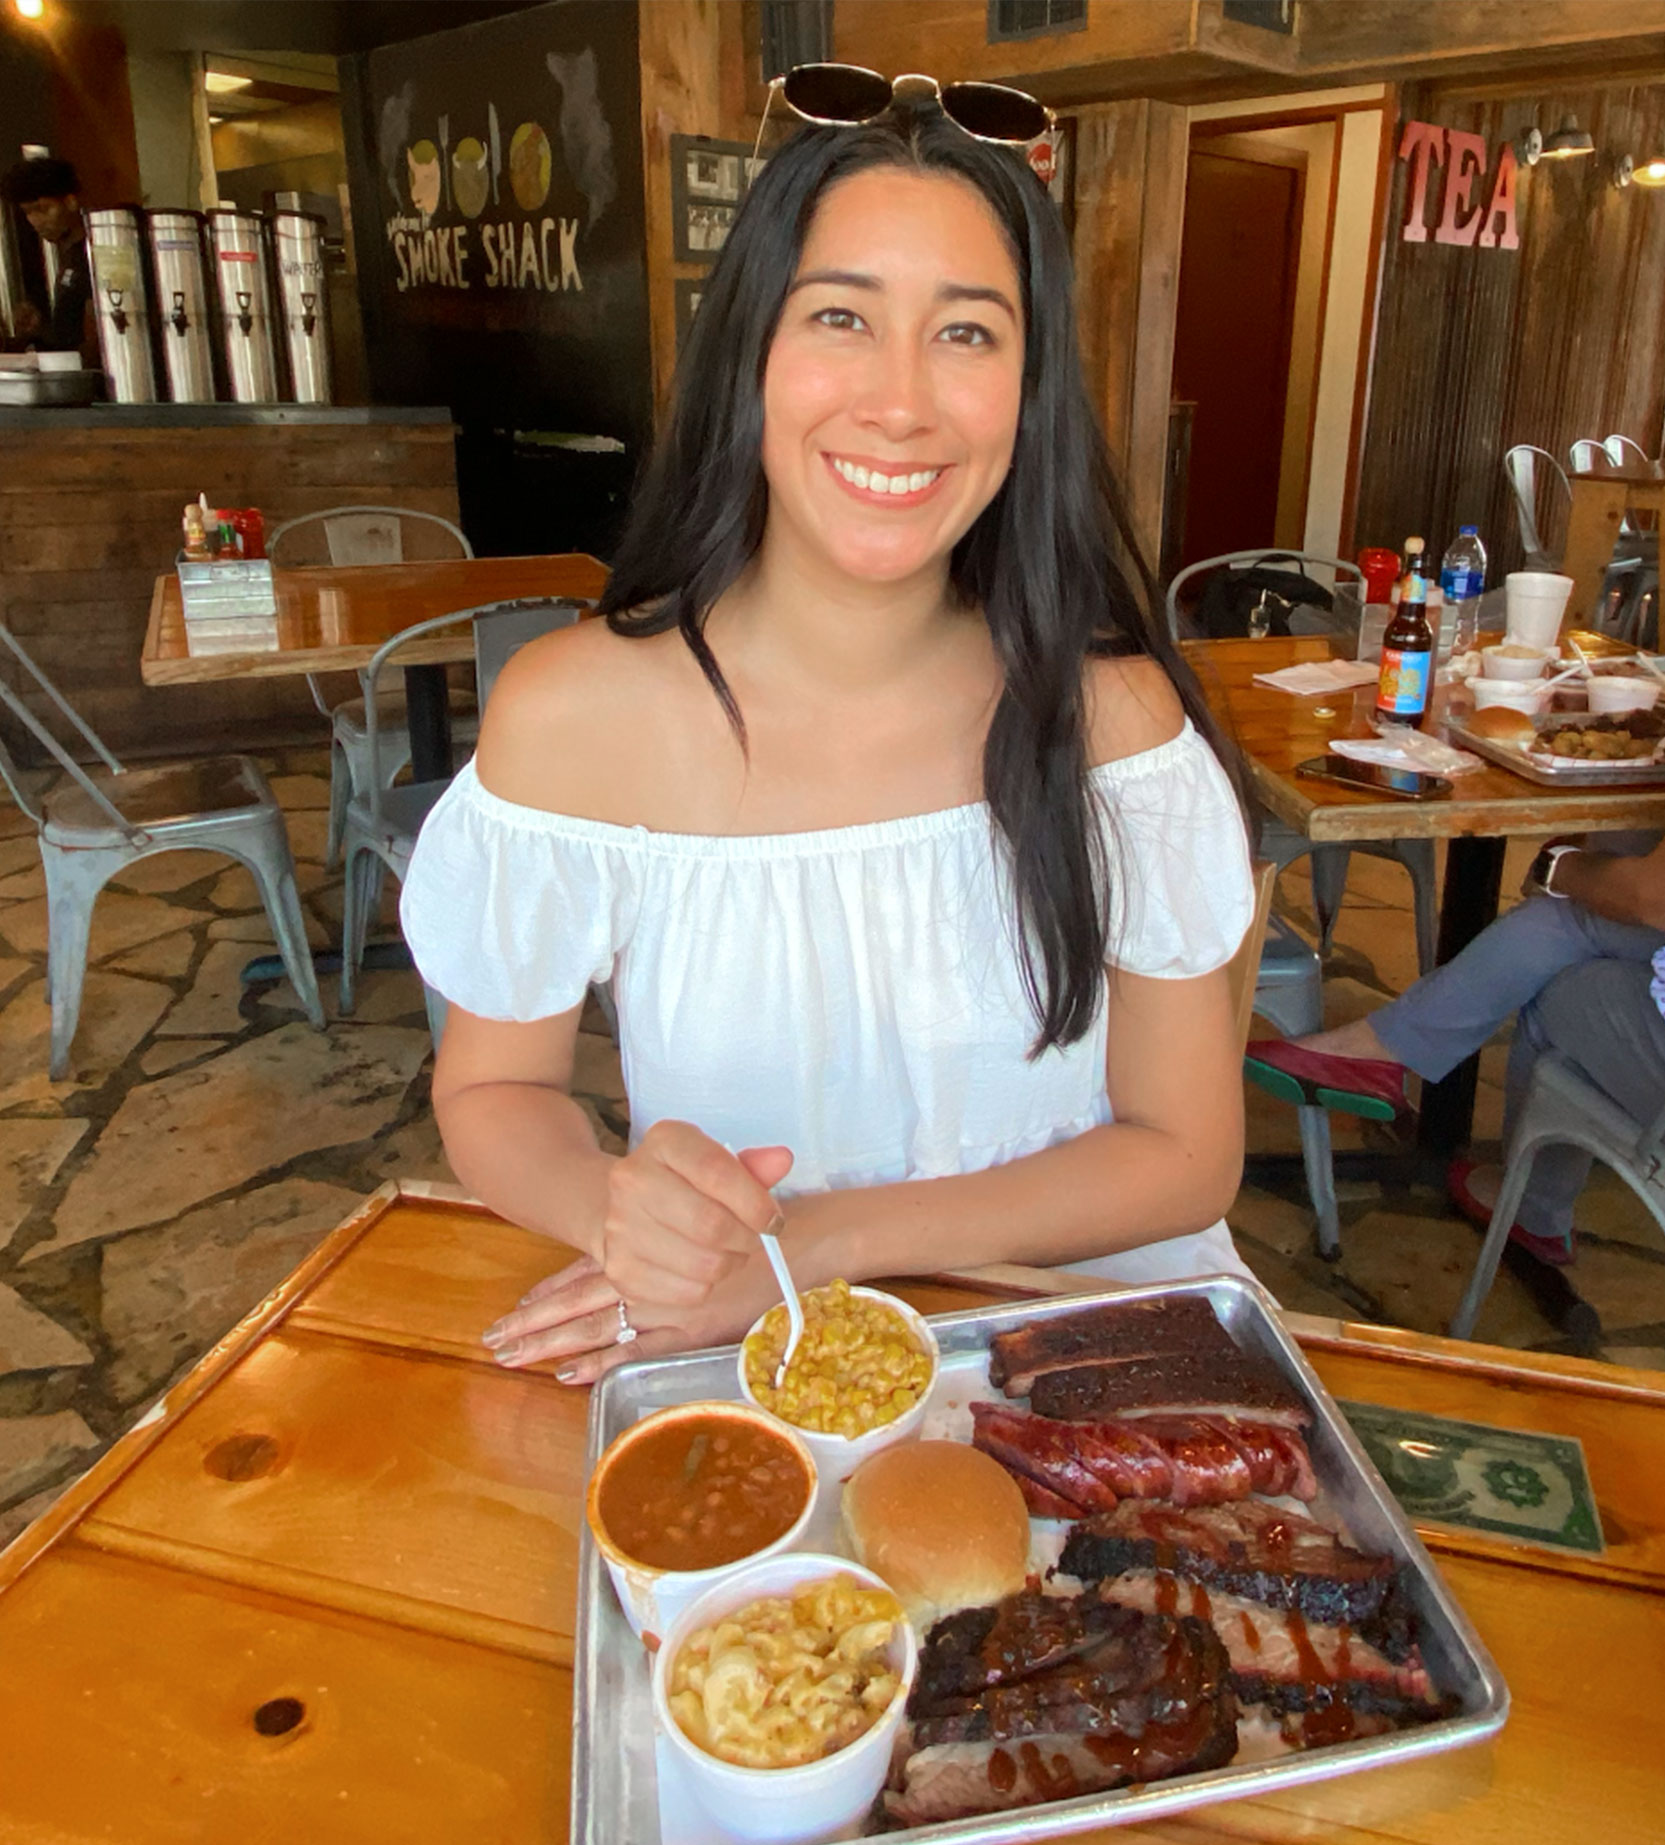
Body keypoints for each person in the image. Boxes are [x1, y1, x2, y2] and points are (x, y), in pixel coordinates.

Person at [399, 91, 1256, 1385]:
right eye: (842, 317)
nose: (901, 402)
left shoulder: (1108, 720)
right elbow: (492, 1094)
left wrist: (817, 1243)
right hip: (755, 1361)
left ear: (1029, 389)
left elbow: (1187, 1152)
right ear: (751, 350)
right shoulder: (574, 714)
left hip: (1085, 1357)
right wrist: (614, 1207)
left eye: (967, 332)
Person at [1261, 421, 1665, 1266]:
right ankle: (1387, 1056)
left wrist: (1563, 864)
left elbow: (1662, 897)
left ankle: (1530, 1204)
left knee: (1564, 972)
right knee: (1565, 930)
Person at [2, 155, 94, 359]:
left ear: (70, 202)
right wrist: (39, 328)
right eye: (28, 213)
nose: (35, 221)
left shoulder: (94, 254)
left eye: (43, 209)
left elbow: (93, 342)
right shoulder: (67, 257)